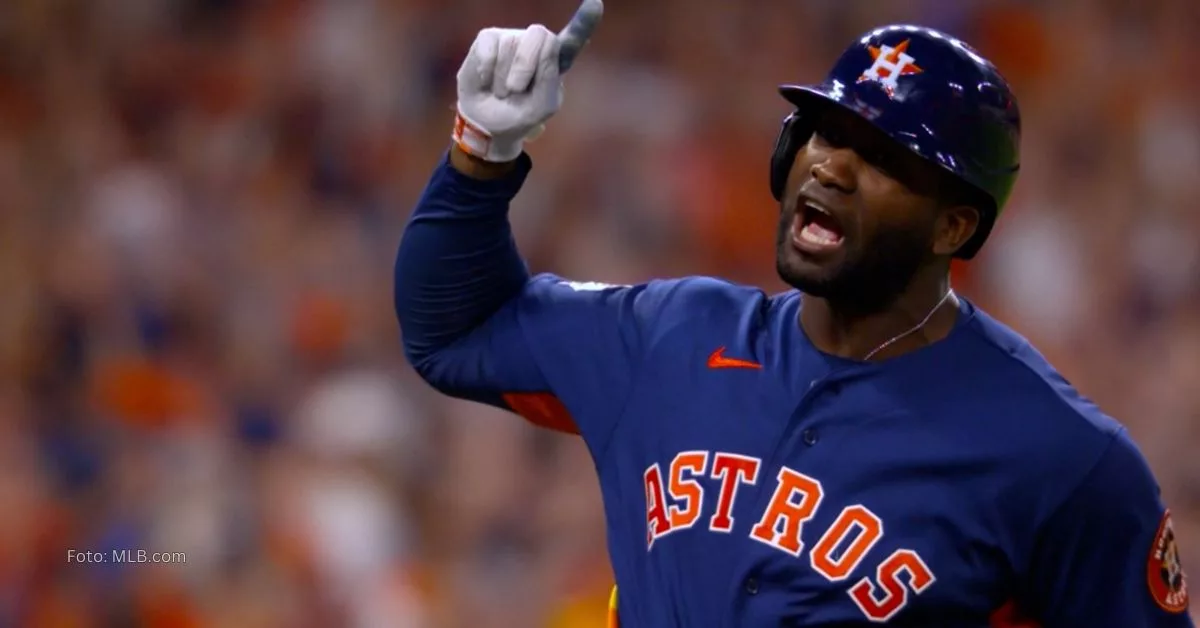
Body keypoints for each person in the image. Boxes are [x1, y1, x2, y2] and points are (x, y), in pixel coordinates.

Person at [393, 2, 1194, 624]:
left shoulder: (1059, 454)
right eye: (823, 131)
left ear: (954, 226)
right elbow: (457, 330)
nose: (832, 166)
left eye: (881, 157)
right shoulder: (672, 336)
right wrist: (479, 158)